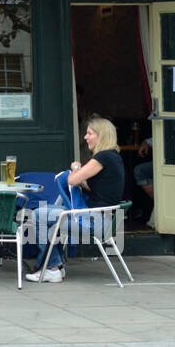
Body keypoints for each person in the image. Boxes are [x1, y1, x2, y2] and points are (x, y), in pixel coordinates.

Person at [25, 116, 124, 283]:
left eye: (89, 133)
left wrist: (76, 168)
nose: (85, 137)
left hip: (95, 221)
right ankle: (55, 266)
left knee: (38, 216)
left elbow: (72, 180)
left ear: (101, 136)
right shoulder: (114, 157)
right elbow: (94, 188)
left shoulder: (102, 157)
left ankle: (52, 268)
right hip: (104, 219)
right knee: (47, 218)